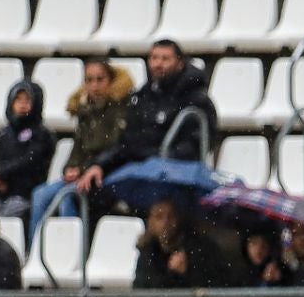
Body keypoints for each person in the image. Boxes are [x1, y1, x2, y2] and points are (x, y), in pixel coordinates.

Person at [74, 40, 218, 199]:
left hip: (174, 175)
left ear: (179, 63)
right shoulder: (144, 97)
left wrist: (157, 158)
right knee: (84, 191)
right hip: (141, 169)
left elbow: (196, 145)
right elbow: (126, 143)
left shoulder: (196, 99)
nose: (158, 64)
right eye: (154, 58)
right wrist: (100, 165)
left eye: (165, 59)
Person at [30, 58, 133, 242]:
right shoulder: (85, 111)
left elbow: (115, 148)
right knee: (40, 194)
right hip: (81, 172)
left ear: (110, 81)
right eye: (89, 80)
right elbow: (78, 149)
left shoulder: (120, 110)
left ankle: (71, 249)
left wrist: (83, 169)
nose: (94, 85)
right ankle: (33, 248)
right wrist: (70, 168)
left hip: (106, 173)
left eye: (100, 79)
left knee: (68, 196)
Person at [131, 198, 238, 297]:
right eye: (159, 217)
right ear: (150, 222)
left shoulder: (201, 247)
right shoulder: (148, 253)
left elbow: (218, 291)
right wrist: (172, 274)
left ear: (179, 218)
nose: (165, 222)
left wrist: (189, 271)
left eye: (170, 216)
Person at [0, 80, 52, 222]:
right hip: (2, 192)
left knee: (10, 214)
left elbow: (30, 161)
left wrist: (3, 173)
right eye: (18, 99)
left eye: (27, 99)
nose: (22, 104)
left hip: (26, 194)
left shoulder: (42, 135)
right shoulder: (4, 134)